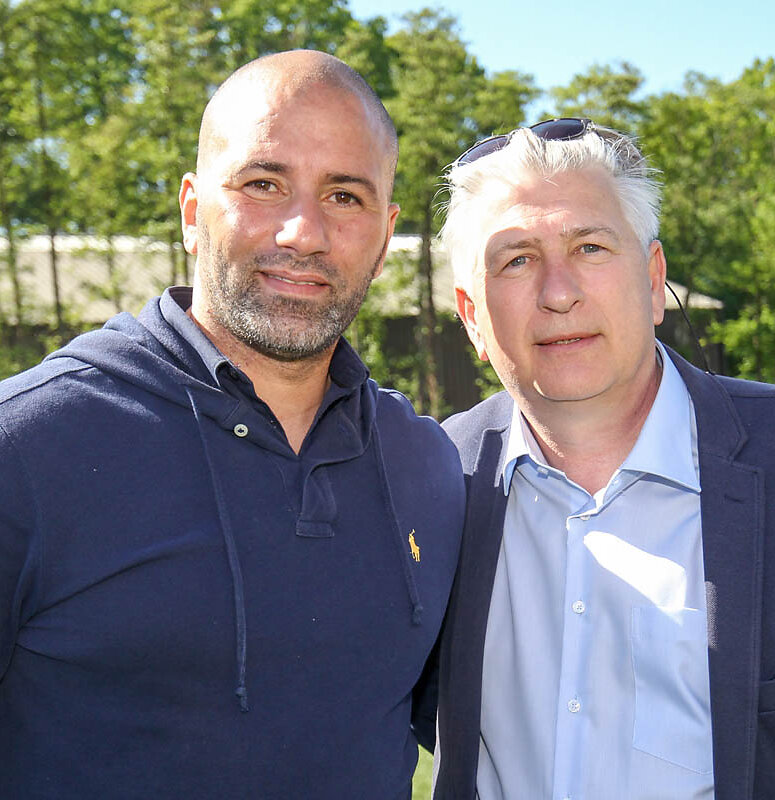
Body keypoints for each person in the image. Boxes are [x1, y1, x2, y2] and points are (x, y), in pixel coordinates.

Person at [0, 50, 464, 799]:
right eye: (263, 184)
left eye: (345, 195)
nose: (303, 232)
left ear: (385, 237)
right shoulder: (27, 448)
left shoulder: (427, 468)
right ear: (192, 212)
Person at [431, 118, 775, 799]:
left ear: (655, 280)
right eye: (516, 260)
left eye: (590, 247)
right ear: (472, 317)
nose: (558, 292)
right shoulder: (433, 480)